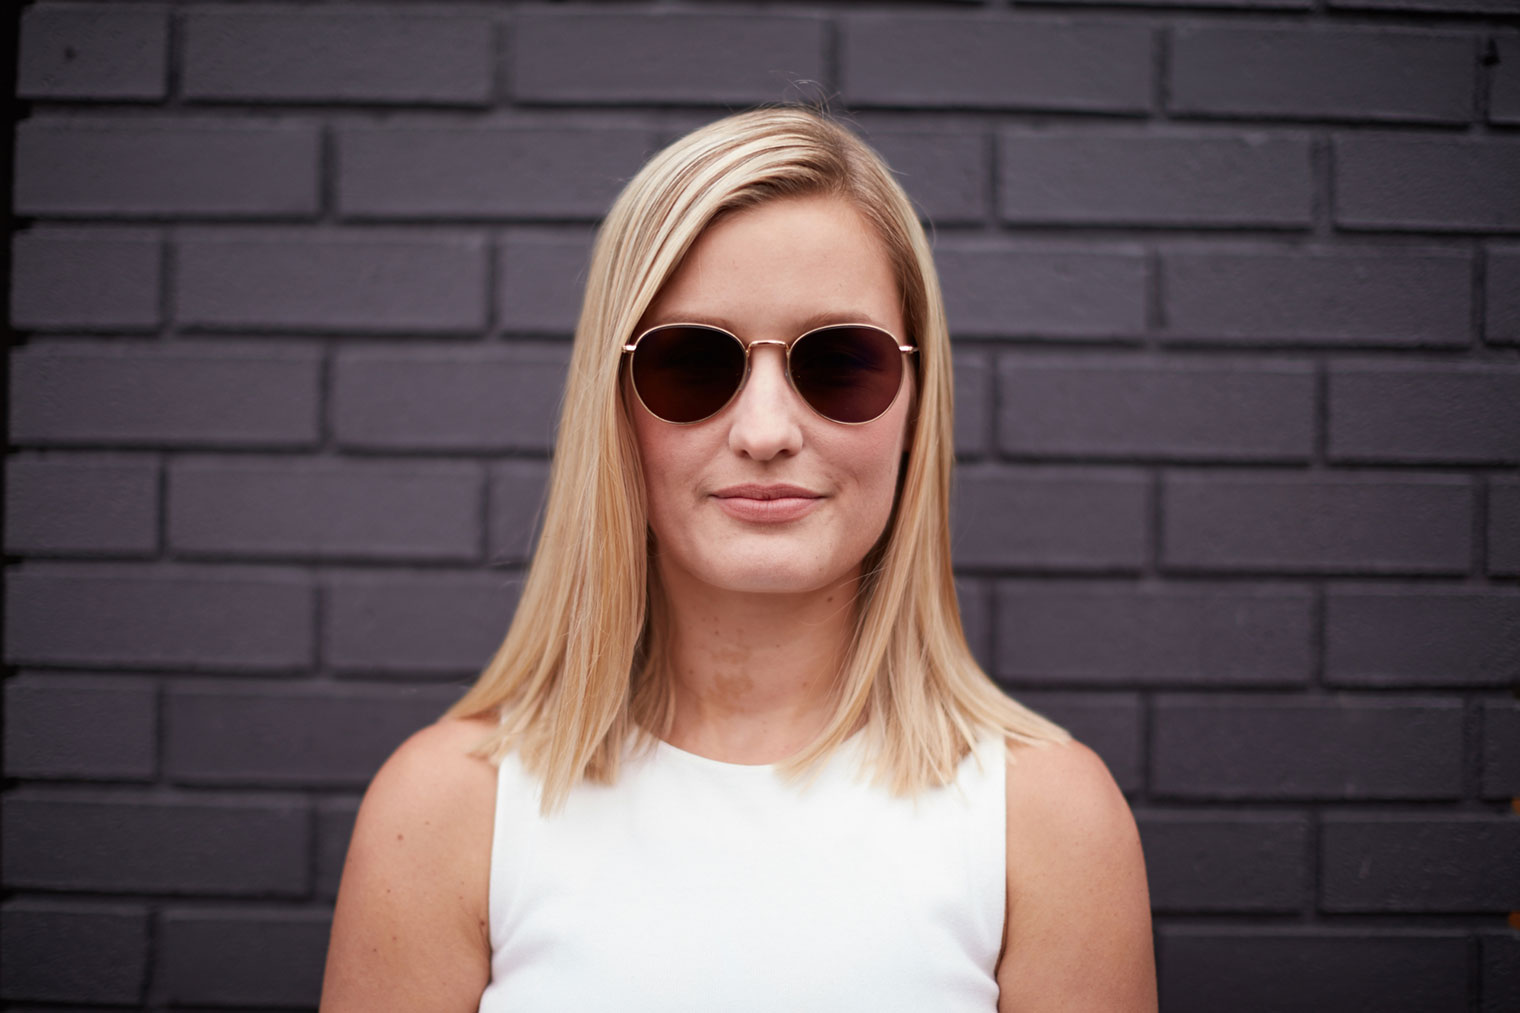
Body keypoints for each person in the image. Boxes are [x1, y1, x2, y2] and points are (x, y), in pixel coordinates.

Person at [321, 106, 1155, 1012]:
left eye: (840, 363)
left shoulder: (1049, 822)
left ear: (918, 404)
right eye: (691, 364)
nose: (765, 431)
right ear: (614, 410)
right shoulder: (446, 811)